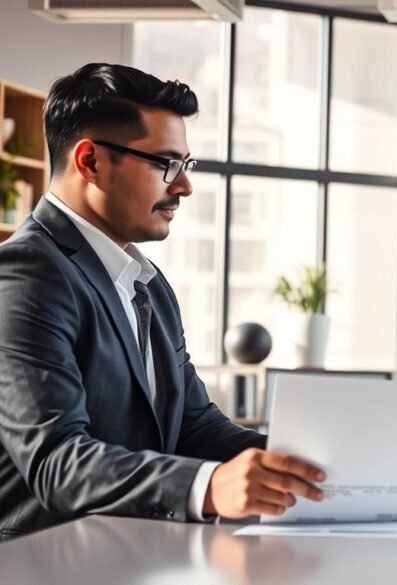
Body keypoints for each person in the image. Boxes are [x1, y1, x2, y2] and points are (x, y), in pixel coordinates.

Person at [0, 63, 325, 540]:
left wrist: (310, 463)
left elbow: (193, 424)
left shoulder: (148, 284)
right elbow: (57, 462)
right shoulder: (24, 275)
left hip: (135, 551)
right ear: (90, 162)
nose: (184, 186)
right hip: (44, 561)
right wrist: (209, 485)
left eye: (186, 165)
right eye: (166, 164)